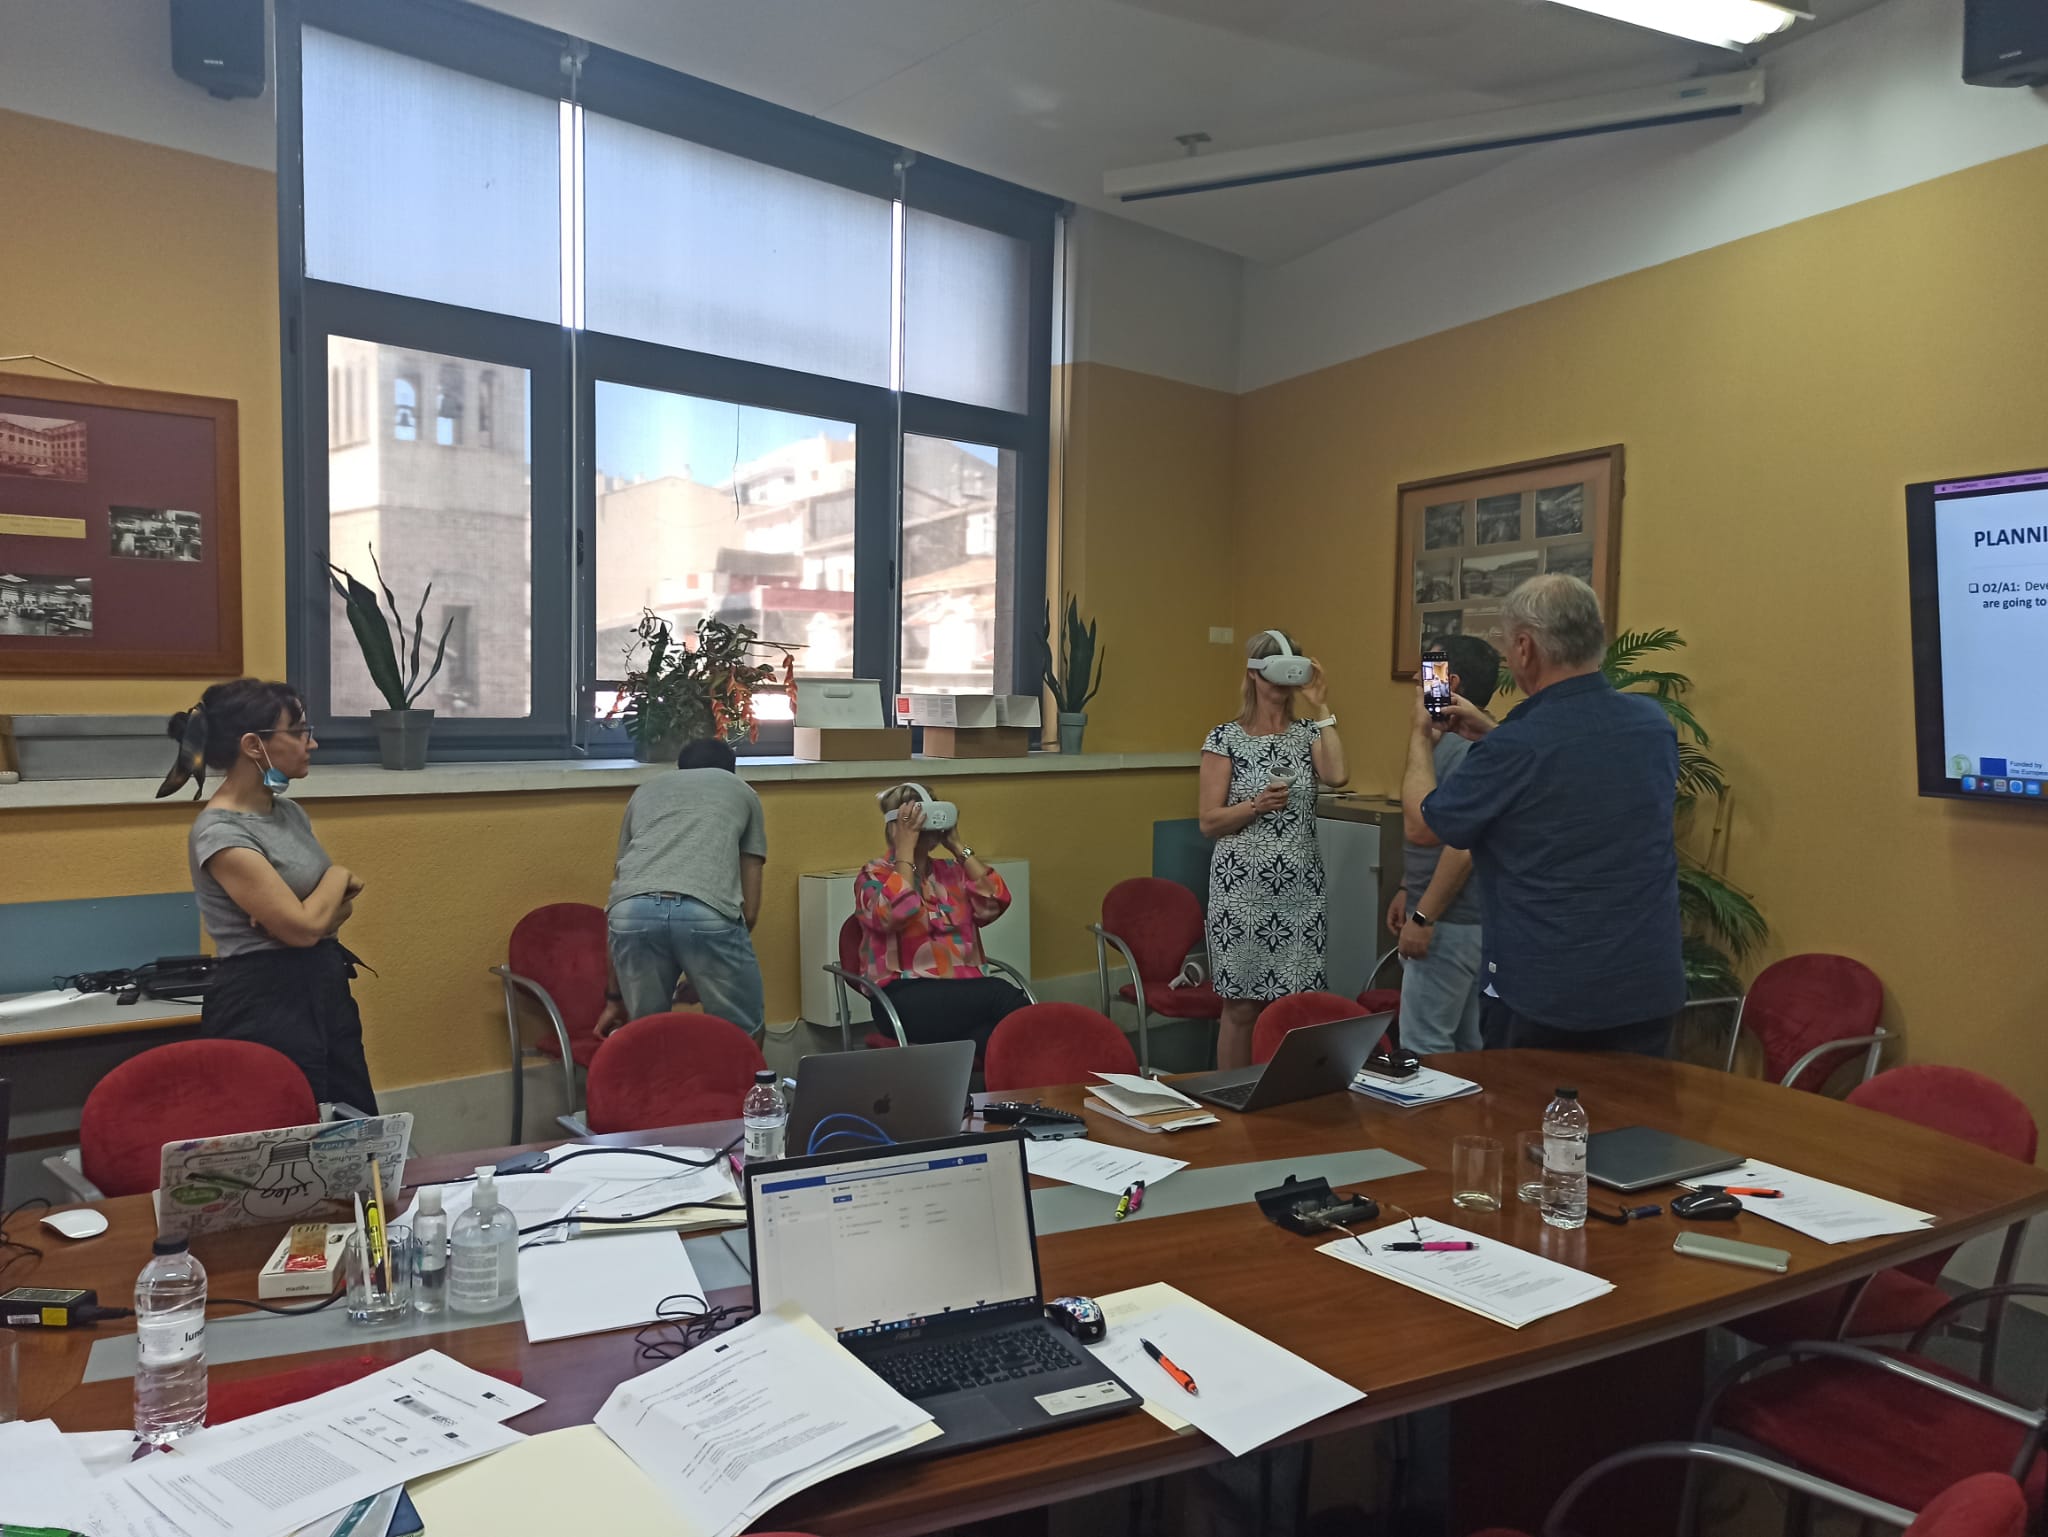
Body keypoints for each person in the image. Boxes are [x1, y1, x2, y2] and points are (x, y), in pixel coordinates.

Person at [1402, 575, 1684, 1055]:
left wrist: (1420, 737)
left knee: (1531, 1106)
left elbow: (1423, 826)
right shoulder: (1651, 723)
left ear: (1525, 647)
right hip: (1646, 985)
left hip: (1549, 995)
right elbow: (1571, 776)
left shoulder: (1520, 745)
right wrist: (1495, 734)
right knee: (1636, 1107)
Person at [163, 679, 376, 1110]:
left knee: (353, 1126)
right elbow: (303, 928)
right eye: (297, 732)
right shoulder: (220, 831)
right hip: (264, 1005)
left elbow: (323, 919)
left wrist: (306, 916)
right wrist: (336, 879)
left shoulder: (289, 813)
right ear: (253, 745)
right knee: (286, 1134)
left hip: (324, 989)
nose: (311, 743)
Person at [1198, 630, 1348, 1070]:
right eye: (1274, 673)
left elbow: (1338, 775)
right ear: (1254, 674)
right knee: (1242, 1007)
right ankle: (1232, 1095)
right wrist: (1254, 806)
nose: (1282, 684)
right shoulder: (1225, 738)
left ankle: (1287, 1094)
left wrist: (1321, 706)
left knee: (1297, 1005)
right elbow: (1208, 821)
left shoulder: (1308, 734)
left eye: (1291, 674)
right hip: (1242, 893)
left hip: (1300, 892)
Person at [597, 738, 766, 1039]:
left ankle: (650, 1070)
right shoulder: (741, 791)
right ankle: (743, 1072)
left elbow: (621, 891)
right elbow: (749, 910)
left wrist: (613, 998)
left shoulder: (645, 791)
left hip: (630, 912)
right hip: (705, 911)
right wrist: (707, 965)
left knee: (646, 1033)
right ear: (731, 770)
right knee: (741, 1032)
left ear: (680, 768)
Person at [1385, 633, 1500, 1056]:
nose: (1417, 679)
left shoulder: (1467, 748)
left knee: (1424, 1045)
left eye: (1427, 672)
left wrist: (1423, 916)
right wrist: (1406, 886)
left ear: (1450, 684)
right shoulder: (1455, 741)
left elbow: (1462, 846)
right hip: (1458, 920)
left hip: (1451, 922)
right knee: (1468, 1045)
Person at [853, 784, 1023, 1052]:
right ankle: (1063, 1060)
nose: (927, 826)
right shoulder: (873, 876)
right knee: (1001, 994)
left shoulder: (951, 872)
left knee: (997, 1039)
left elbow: (995, 902)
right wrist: (905, 850)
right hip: (902, 996)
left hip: (963, 992)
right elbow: (895, 913)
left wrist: (957, 845)